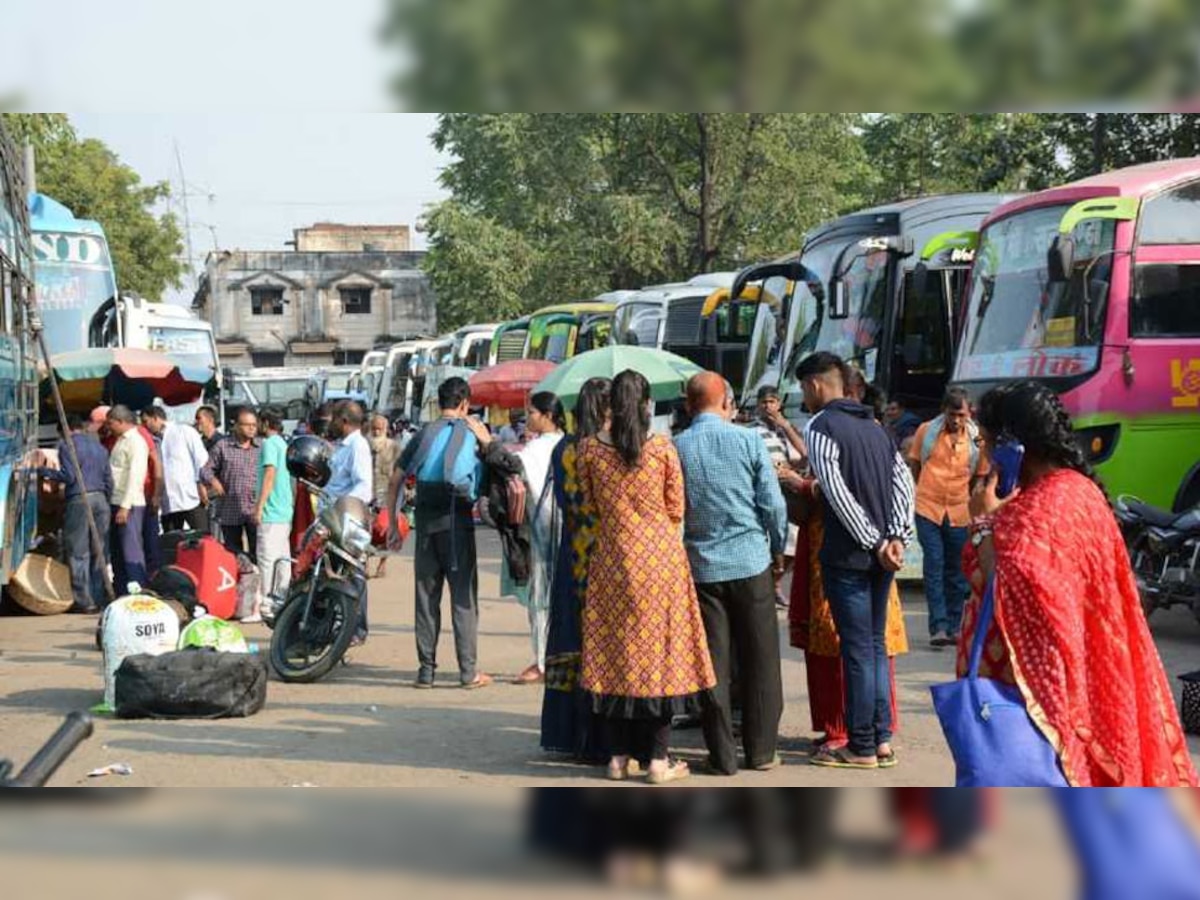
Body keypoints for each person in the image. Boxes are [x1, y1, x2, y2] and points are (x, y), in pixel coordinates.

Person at [958, 380, 1197, 786]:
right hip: (1087, 678)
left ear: (1013, 447)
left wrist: (982, 523)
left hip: (1038, 701)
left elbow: (1010, 583)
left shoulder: (1040, 510)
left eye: (987, 442)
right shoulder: (1077, 492)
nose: (982, 454)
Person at [578, 369, 716, 784]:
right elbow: (677, 508)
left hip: (612, 559)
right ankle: (658, 760)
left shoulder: (589, 450)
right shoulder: (662, 449)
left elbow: (589, 505)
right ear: (646, 404)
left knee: (614, 654)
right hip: (660, 562)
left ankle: (618, 758)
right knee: (662, 656)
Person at [798, 352, 915, 771]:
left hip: (849, 556)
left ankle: (861, 745)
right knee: (875, 646)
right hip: (882, 555)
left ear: (815, 385)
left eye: (803, 389)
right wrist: (896, 537)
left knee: (859, 651)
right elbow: (904, 481)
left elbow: (836, 492)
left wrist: (873, 541)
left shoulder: (821, 426)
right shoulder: (876, 427)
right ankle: (880, 739)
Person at [675, 372, 788, 776]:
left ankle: (722, 756)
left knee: (712, 665)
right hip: (750, 562)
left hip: (701, 569)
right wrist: (777, 548)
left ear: (689, 405)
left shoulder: (676, 448)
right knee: (761, 659)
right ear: (726, 403)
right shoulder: (747, 440)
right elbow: (772, 505)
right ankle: (761, 752)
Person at [390, 377, 492, 690]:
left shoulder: (423, 434)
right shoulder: (473, 433)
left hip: (425, 525)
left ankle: (426, 672)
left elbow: (395, 480)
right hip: (457, 525)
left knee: (425, 599)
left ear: (439, 402)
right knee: (463, 599)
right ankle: (468, 672)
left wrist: (394, 525)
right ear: (465, 404)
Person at [541, 377, 611, 762]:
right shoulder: (603, 451)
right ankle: (603, 739)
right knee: (605, 644)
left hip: (572, 555)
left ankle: (571, 735)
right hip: (602, 555)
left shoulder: (563, 449)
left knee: (573, 641)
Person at [908, 386, 988, 648]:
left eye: (961, 415)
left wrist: (975, 496)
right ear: (944, 411)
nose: (956, 420)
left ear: (969, 414)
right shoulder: (926, 431)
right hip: (928, 508)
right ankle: (938, 627)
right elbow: (915, 465)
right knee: (934, 566)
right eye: (952, 414)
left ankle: (954, 627)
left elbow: (980, 475)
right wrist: (922, 490)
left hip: (959, 511)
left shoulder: (977, 439)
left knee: (957, 572)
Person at [512, 392, 566, 684]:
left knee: (542, 598)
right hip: (562, 530)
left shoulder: (539, 449)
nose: (527, 418)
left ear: (547, 415)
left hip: (545, 532)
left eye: (531, 412)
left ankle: (544, 660)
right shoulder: (567, 443)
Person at [39, 413, 112, 613]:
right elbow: (109, 480)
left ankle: (84, 601)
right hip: (101, 500)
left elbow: (69, 477)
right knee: (100, 551)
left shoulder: (66, 445)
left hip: (79, 499)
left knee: (79, 552)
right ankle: (99, 597)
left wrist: (44, 472)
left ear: (66, 430)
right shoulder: (99, 447)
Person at [751, 384, 806, 608]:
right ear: (758, 406)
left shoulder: (786, 430)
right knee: (769, 543)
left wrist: (786, 426)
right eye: (764, 402)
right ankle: (768, 588)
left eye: (772, 401)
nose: (768, 406)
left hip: (788, 494)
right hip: (765, 494)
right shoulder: (752, 432)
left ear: (779, 404)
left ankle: (774, 584)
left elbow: (804, 456)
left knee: (791, 544)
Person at [325, 401, 375, 644]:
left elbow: (364, 486)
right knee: (332, 572)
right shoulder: (342, 447)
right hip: (334, 518)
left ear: (343, 421)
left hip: (349, 519)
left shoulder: (358, 446)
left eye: (334, 419)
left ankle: (356, 629)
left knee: (353, 574)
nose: (331, 423)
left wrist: (344, 507)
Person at [201, 407, 261, 559]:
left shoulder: (261, 447)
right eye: (247, 425)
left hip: (254, 508)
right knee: (233, 554)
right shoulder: (223, 446)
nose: (252, 428)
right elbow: (205, 470)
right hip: (230, 508)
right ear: (236, 426)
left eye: (254, 425)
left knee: (258, 552)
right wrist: (214, 481)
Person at [252, 408, 294, 624]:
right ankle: (281, 599)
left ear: (266, 423)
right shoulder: (283, 444)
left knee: (267, 559)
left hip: (272, 510)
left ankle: (266, 604)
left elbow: (270, 474)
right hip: (284, 510)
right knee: (282, 559)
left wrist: (259, 506)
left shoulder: (269, 444)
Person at [142, 406, 210, 534]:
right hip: (167, 502)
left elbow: (201, 460)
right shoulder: (151, 441)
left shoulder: (184, 431)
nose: (145, 426)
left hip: (191, 497)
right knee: (171, 543)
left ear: (156, 418)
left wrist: (200, 483)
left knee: (202, 539)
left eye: (146, 421)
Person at [106, 405, 150, 592]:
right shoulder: (120, 441)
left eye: (111, 423)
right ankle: (122, 590)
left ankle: (137, 590)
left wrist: (125, 506)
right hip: (116, 501)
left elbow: (136, 476)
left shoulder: (136, 442)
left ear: (121, 422)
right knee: (117, 551)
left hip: (129, 504)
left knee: (130, 551)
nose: (109, 427)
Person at [367, 414, 400, 578]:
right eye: (374, 428)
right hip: (367, 495)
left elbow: (400, 470)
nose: (377, 431)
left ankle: (382, 563)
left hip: (387, 495)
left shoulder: (393, 446)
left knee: (386, 531)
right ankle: (364, 563)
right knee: (365, 530)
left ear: (386, 429)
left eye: (380, 428)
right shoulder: (364, 445)